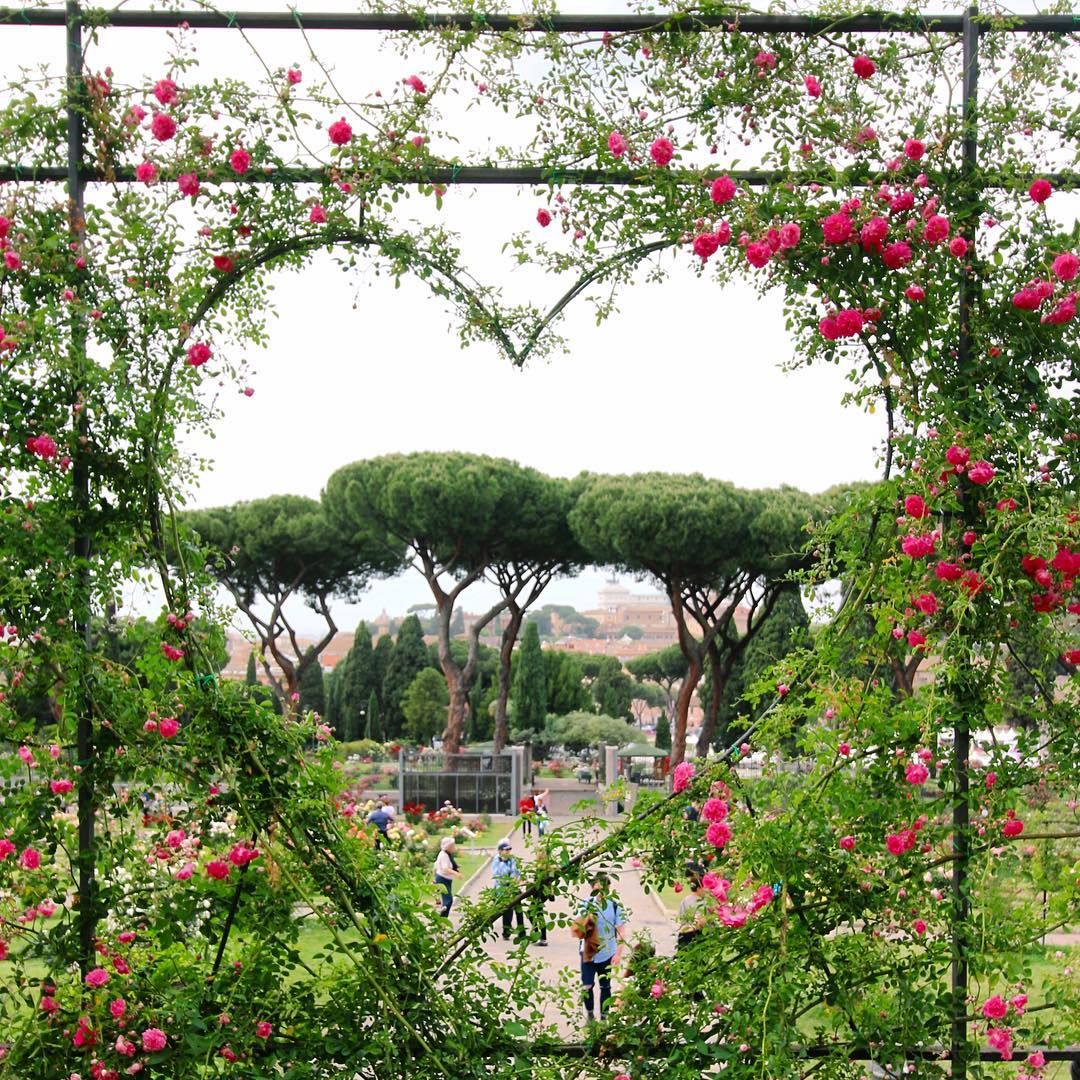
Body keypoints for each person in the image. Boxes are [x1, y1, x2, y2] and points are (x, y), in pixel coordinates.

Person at [573, 873, 626, 1023]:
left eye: (603, 888)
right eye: (596, 889)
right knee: (587, 986)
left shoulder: (615, 906)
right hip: (588, 952)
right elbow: (576, 927)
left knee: (605, 987)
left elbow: (621, 931)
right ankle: (589, 1015)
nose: (600, 892)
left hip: (607, 952)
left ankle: (604, 1017)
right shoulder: (586, 904)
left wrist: (618, 954)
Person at [491, 840, 526, 940]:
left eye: (509, 849)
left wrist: (514, 880)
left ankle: (522, 932)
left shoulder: (512, 860)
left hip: (513, 887)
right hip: (502, 889)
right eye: (506, 850)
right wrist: (509, 878)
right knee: (506, 911)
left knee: (519, 910)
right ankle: (506, 932)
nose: (508, 851)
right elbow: (498, 874)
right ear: (500, 851)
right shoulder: (496, 861)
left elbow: (516, 872)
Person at [677, 861, 711, 950]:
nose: (707, 890)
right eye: (705, 887)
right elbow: (700, 922)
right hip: (695, 938)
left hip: (683, 935)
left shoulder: (685, 900)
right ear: (699, 888)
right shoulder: (700, 903)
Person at [434, 836, 462, 917]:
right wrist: (456, 873)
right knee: (448, 899)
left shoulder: (447, 854)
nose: (453, 847)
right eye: (452, 845)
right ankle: (442, 917)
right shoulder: (443, 855)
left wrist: (456, 867)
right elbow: (445, 868)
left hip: (446, 879)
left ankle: (443, 917)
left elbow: (449, 865)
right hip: (443, 879)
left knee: (448, 899)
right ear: (448, 846)